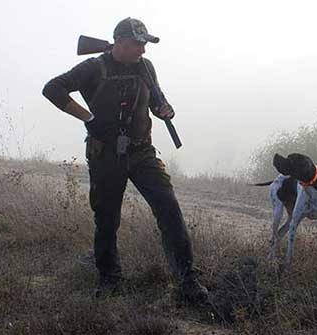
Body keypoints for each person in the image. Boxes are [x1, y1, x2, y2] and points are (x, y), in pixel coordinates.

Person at [42, 17, 208, 302]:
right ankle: (109, 280)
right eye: (137, 44)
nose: (143, 50)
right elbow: (52, 88)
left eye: (144, 44)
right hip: (105, 153)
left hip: (142, 152)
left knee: (169, 210)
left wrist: (164, 109)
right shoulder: (93, 67)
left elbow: (156, 101)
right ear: (118, 42)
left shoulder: (146, 67)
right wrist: (88, 117)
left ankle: (187, 281)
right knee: (106, 220)